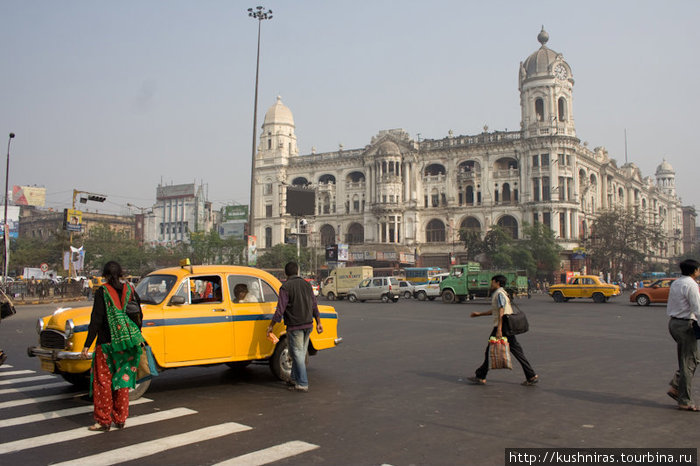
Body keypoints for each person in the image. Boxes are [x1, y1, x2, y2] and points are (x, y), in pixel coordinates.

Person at [80, 261, 144, 431]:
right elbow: (138, 314)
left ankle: (104, 420)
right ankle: (121, 418)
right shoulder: (130, 289)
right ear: (121, 274)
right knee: (122, 380)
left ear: (105, 275)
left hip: (106, 345)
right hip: (127, 344)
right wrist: (134, 333)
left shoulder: (103, 291)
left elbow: (96, 319)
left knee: (103, 382)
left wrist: (87, 345)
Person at [468, 274, 538, 386]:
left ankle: (480, 376)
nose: (491, 284)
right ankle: (531, 375)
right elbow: (495, 310)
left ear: (497, 282)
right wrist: (479, 314)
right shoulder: (503, 293)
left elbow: (501, 311)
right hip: (506, 325)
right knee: (516, 350)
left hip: (502, 325)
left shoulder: (499, 293)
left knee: (490, 350)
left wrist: (499, 329)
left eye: (492, 282)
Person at [266, 262, 323, 392]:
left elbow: (280, 309)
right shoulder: (307, 285)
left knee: (297, 354)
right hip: (308, 324)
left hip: (295, 326)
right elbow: (314, 304)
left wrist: (271, 325)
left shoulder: (285, 287)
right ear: (297, 271)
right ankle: (294, 378)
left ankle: (302, 383)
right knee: (298, 353)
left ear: (286, 273)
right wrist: (319, 322)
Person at [666, 259, 700, 411]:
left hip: (674, 323)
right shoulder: (692, 285)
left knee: (691, 359)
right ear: (694, 271)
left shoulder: (676, 283)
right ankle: (684, 400)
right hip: (686, 325)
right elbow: (697, 308)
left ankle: (676, 386)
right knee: (688, 362)